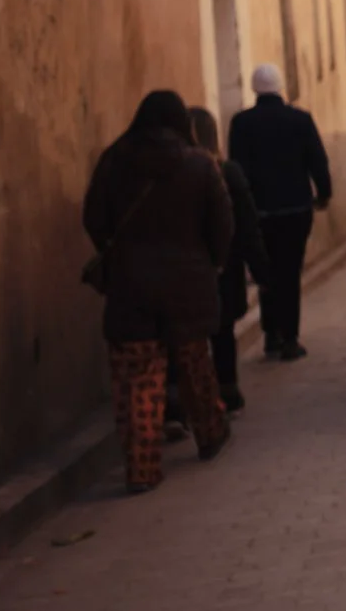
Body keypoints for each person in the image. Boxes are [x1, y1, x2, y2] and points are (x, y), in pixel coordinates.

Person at [83, 90, 235, 493]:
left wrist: (117, 255)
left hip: (130, 286)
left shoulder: (114, 160)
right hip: (187, 284)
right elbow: (223, 224)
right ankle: (210, 434)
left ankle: (142, 467)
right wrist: (211, 263)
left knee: (139, 382)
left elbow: (93, 217)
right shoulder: (199, 164)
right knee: (195, 367)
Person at [227, 63, 332, 360]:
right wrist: (323, 194)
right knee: (289, 272)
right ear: (281, 86)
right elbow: (317, 161)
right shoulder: (300, 120)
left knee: (265, 271)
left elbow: (236, 167)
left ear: (254, 88)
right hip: (295, 210)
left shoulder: (241, 123)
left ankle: (271, 333)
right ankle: (290, 338)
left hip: (258, 212)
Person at [188, 106, 267, 413]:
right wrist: (260, 270)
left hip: (190, 271)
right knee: (222, 333)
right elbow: (246, 226)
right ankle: (225, 390)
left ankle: (190, 400)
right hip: (222, 268)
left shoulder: (175, 173)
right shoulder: (226, 171)